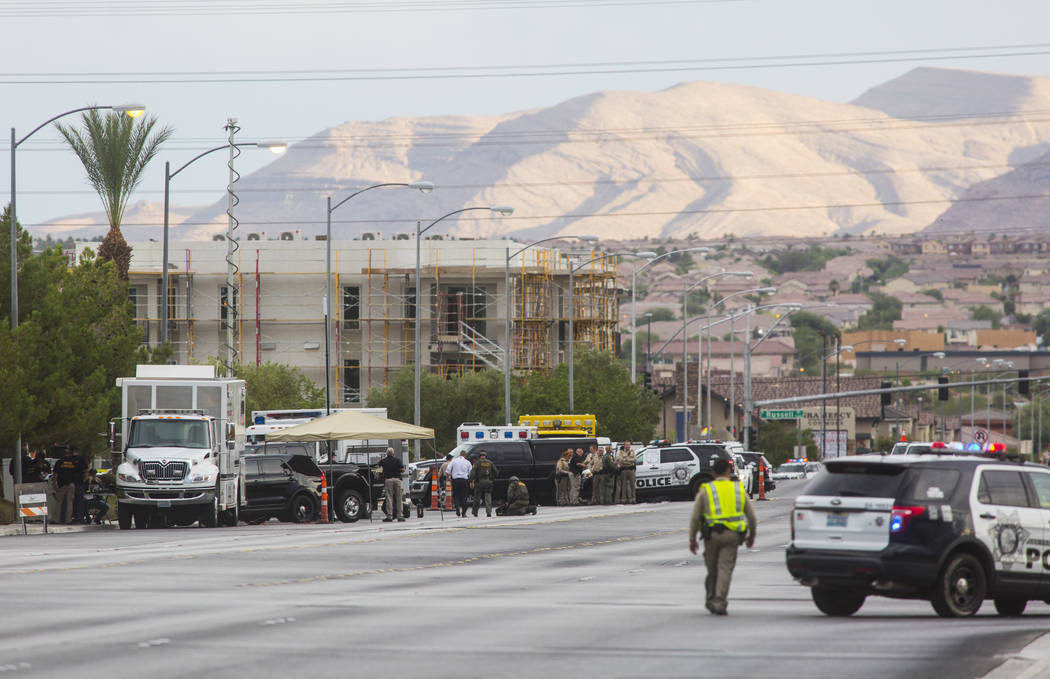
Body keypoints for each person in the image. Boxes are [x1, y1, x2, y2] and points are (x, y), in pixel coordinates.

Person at [688, 458, 757, 615]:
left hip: (712, 536)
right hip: (732, 536)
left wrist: (692, 539)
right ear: (728, 472)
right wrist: (752, 536)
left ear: (713, 473)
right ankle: (719, 601)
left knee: (712, 570)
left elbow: (695, 517)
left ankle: (711, 598)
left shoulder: (706, 490)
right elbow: (752, 517)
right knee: (724, 569)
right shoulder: (738, 489)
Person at [52, 445, 86, 524]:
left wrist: (54, 484)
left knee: (59, 502)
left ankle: (57, 519)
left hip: (61, 485)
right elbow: (79, 473)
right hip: (71, 484)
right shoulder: (73, 462)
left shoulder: (59, 462)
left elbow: (55, 475)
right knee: (70, 502)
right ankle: (68, 520)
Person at [376, 447, 406, 522]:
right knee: (399, 498)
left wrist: (382, 460)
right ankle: (400, 516)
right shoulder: (397, 460)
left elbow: (378, 465)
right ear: (393, 453)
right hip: (397, 480)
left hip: (388, 480)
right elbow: (403, 470)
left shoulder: (384, 461)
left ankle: (389, 516)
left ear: (387, 453)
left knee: (389, 498)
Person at [469, 450, 500, 517]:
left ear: (480, 456)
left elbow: (473, 472)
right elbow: (496, 472)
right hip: (488, 481)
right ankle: (489, 512)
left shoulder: (477, 463)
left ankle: (475, 512)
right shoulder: (490, 463)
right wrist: (491, 479)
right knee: (488, 497)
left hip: (479, 482)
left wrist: (471, 481)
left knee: (477, 497)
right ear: (486, 456)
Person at [447, 450, 473, 517]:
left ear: (459, 454)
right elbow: (471, 473)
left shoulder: (454, 461)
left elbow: (448, 470)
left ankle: (457, 509)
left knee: (456, 496)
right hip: (464, 480)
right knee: (464, 497)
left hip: (455, 480)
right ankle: (463, 513)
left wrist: (449, 477)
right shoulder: (468, 462)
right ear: (465, 455)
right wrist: (471, 482)